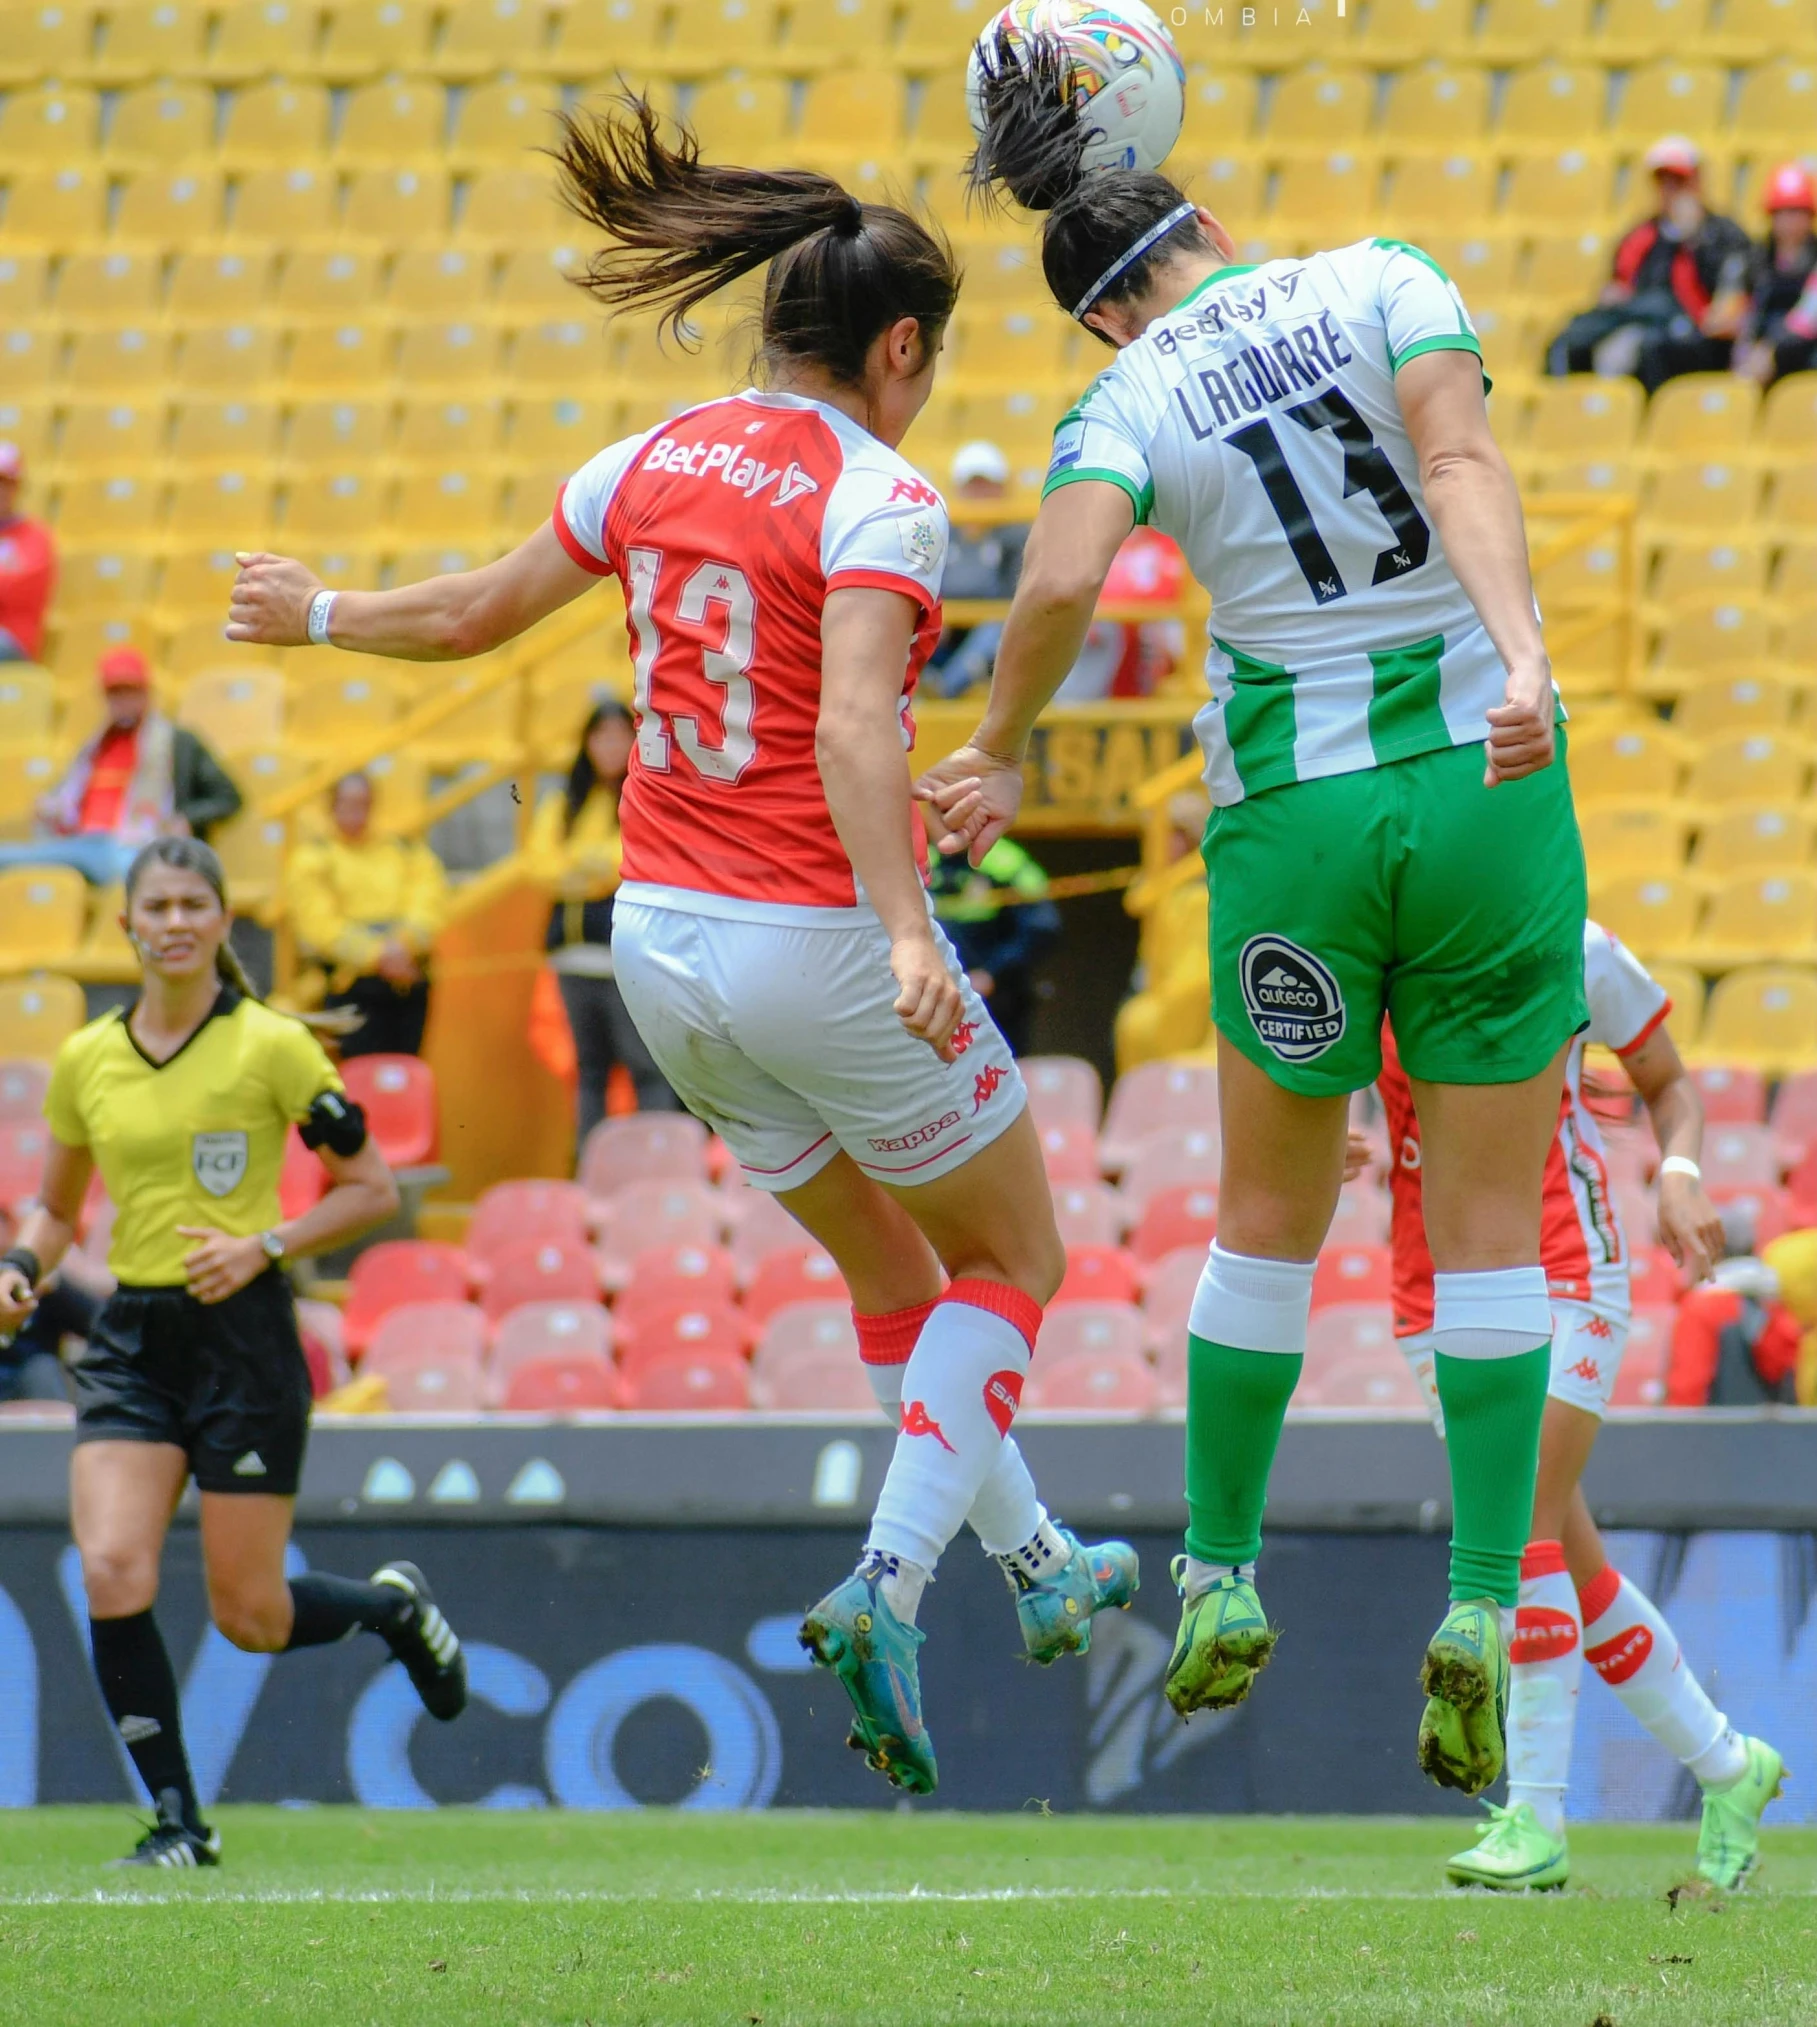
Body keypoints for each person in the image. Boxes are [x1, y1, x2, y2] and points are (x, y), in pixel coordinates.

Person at [224, 95, 1139, 1798]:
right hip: (811, 933)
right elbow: (858, 726)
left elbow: (478, 612)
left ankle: (1034, 1565)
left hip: (660, 952)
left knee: (890, 1279)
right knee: (1017, 1263)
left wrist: (319, 612)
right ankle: (889, 1582)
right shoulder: (882, 495)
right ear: (895, 347)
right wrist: (900, 928)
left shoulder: (651, 456)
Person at [926, 38, 1591, 1800]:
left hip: (1291, 820)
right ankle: (1471, 1603)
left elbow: (1063, 574)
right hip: (1483, 788)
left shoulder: (1122, 400)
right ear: (1209, 216)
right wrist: (1520, 658)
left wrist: (995, 749)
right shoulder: (1388, 277)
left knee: (1267, 1224)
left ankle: (1221, 1566)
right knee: (1494, 1239)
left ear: (1091, 320)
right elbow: (1456, 465)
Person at [0, 837, 467, 1868]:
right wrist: (21, 1271)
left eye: (190, 903)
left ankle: (394, 1608)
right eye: (154, 903)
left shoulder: (272, 1046)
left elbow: (371, 1188)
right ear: (126, 925)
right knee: (113, 1565)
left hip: (245, 1337)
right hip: (134, 1339)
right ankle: (179, 1820)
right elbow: (55, 1206)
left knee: (251, 1614)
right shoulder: (88, 1058)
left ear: (220, 921)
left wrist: (264, 1242)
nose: (172, 920)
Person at [1368, 921, 1784, 1891]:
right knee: (1568, 1554)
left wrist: (1677, 1174)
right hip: (1428, 1291)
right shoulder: (1376, 930)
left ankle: (1536, 1815)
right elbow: (1351, 1083)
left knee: (1517, 1529)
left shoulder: (1571, 939)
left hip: (1565, 1266)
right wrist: (1348, 1132)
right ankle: (1729, 1764)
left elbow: (1669, 1085)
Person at [529, 698, 679, 1140]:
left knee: (645, 1063)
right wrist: (593, 869)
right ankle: (590, 1168)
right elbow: (539, 866)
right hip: (573, 960)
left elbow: (635, 857)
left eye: (619, 735)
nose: (610, 746)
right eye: (601, 736)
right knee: (588, 1070)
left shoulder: (646, 794)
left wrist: (582, 868)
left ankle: (659, 1162)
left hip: (630, 958)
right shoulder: (565, 802)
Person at [0, 648, 242, 887]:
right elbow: (62, 799)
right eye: (115, 693)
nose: (123, 701)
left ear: (146, 693)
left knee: (136, 869)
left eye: (130, 691)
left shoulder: (178, 743)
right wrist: (50, 809)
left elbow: (228, 797)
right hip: (79, 843)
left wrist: (186, 818)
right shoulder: (93, 748)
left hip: (135, 844)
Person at [1545, 137, 1751, 393]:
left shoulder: (1723, 235)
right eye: (1663, 181)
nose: (1670, 190)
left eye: (1678, 181)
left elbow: (1727, 302)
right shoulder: (1640, 237)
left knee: (1643, 348)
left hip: (1697, 337)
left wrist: (1694, 242)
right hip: (1643, 323)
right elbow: (1617, 288)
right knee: (1578, 342)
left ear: (1697, 182)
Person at [286, 771, 448, 1059]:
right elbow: (320, 925)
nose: (356, 814)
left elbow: (429, 902)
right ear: (331, 807)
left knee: (405, 1070)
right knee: (360, 1073)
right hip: (351, 983)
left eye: (363, 804)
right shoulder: (313, 858)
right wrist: (377, 955)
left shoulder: (404, 849)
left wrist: (404, 944)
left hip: (406, 979)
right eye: (347, 805)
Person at [926, 831, 1058, 1057]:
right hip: (933, 999)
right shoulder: (923, 860)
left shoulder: (1007, 861)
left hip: (998, 1003)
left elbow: (1043, 927)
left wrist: (992, 974)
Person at [923, 440, 1029, 698]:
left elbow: (1014, 595)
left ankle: (942, 689)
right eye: (972, 484)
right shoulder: (942, 532)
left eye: (986, 484)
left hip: (990, 629)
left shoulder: (1014, 535)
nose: (978, 493)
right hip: (946, 625)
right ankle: (922, 684)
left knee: (997, 626)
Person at [1730, 162, 1817, 386]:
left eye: (1796, 212)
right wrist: (1745, 352)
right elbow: (1744, 310)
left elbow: (1808, 318)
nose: (1789, 221)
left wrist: (1772, 349)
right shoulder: (1756, 259)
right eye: (1782, 212)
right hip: (1759, 349)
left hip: (1800, 349)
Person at [0, 442, 55, 665]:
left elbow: (21, 591)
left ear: (18, 486)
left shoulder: (36, 537)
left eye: (6, 483)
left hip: (13, 641)